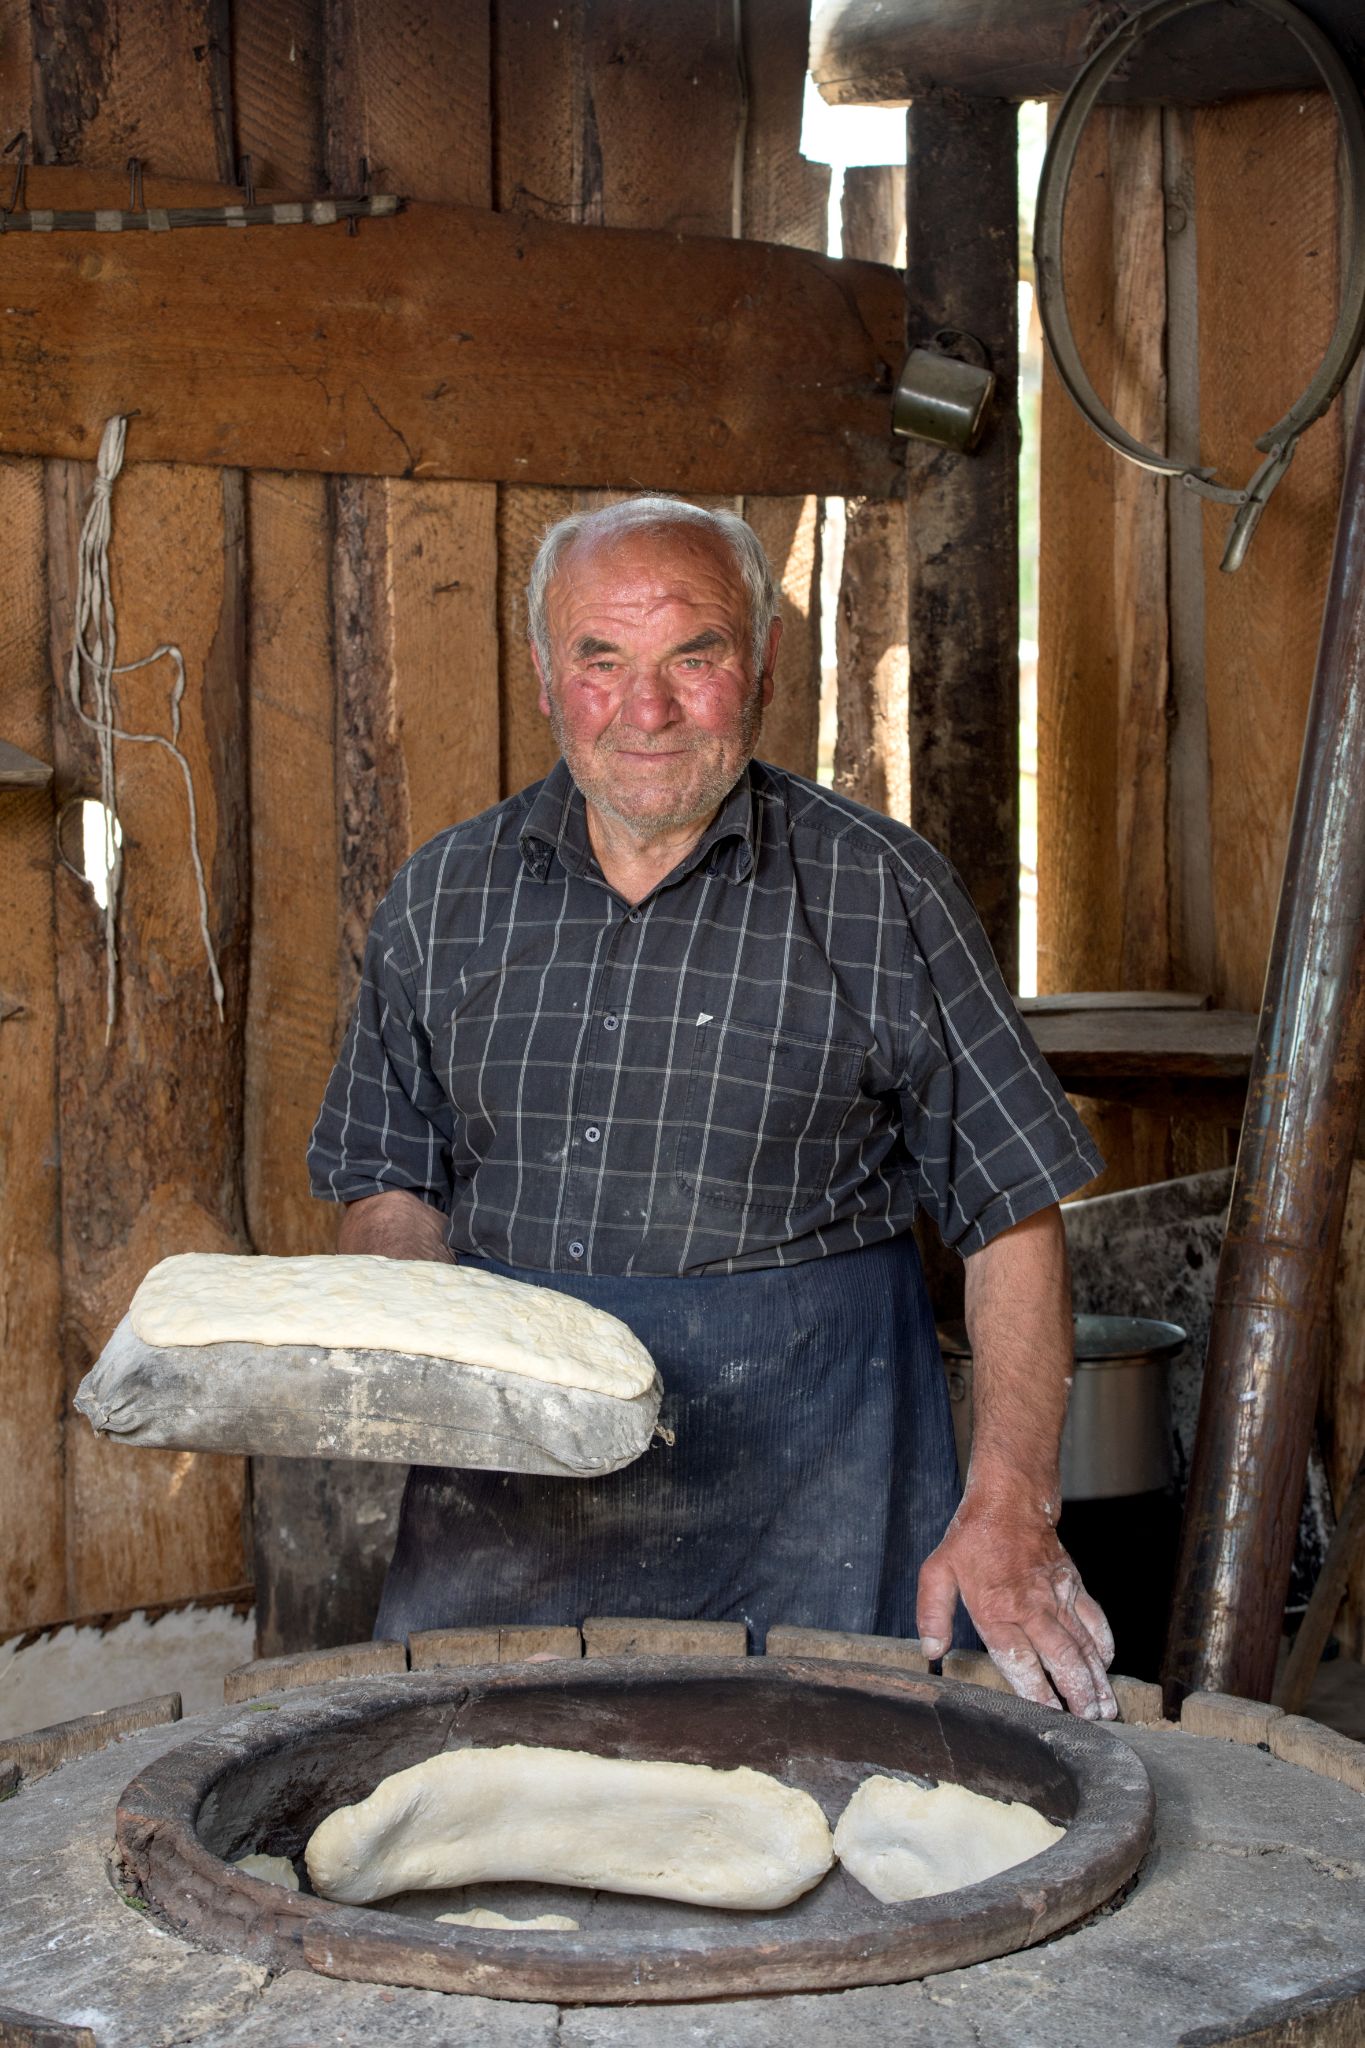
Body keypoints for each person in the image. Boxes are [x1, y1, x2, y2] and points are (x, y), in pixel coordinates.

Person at [308, 495, 1117, 1720]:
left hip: (820, 1504)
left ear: (765, 664)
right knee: (484, 1845)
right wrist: (421, 1333)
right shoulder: (443, 901)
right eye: (602, 661)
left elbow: (1013, 1211)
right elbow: (389, 1176)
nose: (648, 710)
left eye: (695, 657)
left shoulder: (878, 891)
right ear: (543, 674)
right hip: (516, 1510)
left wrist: (1010, 1503)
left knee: (841, 1836)